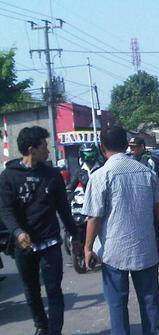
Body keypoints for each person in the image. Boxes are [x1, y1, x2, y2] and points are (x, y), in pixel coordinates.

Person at [82, 126, 159, 335]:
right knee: (150, 300)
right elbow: (158, 208)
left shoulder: (100, 176)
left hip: (113, 251)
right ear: (126, 145)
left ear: (102, 147)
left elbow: (94, 217)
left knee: (117, 304)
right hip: (145, 249)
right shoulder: (146, 172)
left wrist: (88, 248)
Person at [0, 126, 78, 335]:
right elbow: (5, 210)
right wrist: (17, 231)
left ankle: (54, 331)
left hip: (50, 243)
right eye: (45, 145)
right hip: (23, 246)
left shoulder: (52, 175)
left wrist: (75, 235)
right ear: (31, 149)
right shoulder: (8, 176)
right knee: (31, 291)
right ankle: (41, 327)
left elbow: (63, 208)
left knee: (54, 290)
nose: (49, 150)